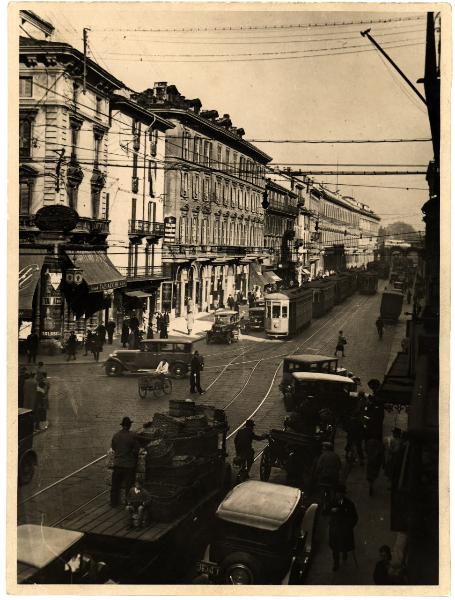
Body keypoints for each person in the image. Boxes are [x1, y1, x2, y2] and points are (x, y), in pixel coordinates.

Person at [110, 416, 140, 507]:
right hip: (128, 466)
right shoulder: (133, 435)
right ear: (130, 425)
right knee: (129, 486)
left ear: (122, 425)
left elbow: (114, 448)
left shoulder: (116, 435)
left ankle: (113, 503)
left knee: (115, 486)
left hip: (117, 464)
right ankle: (128, 504)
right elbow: (136, 450)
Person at [328, 484, 358, 571]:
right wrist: (331, 511)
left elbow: (355, 517)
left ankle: (345, 553)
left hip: (345, 530)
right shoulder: (332, 502)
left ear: (343, 494)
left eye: (341, 494)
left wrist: (349, 526)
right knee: (335, 548)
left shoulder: (349, 504)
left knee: (344, 545)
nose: (339, 495)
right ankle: (336, 563)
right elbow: (325, 512)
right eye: (337, 494)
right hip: (335, 530)